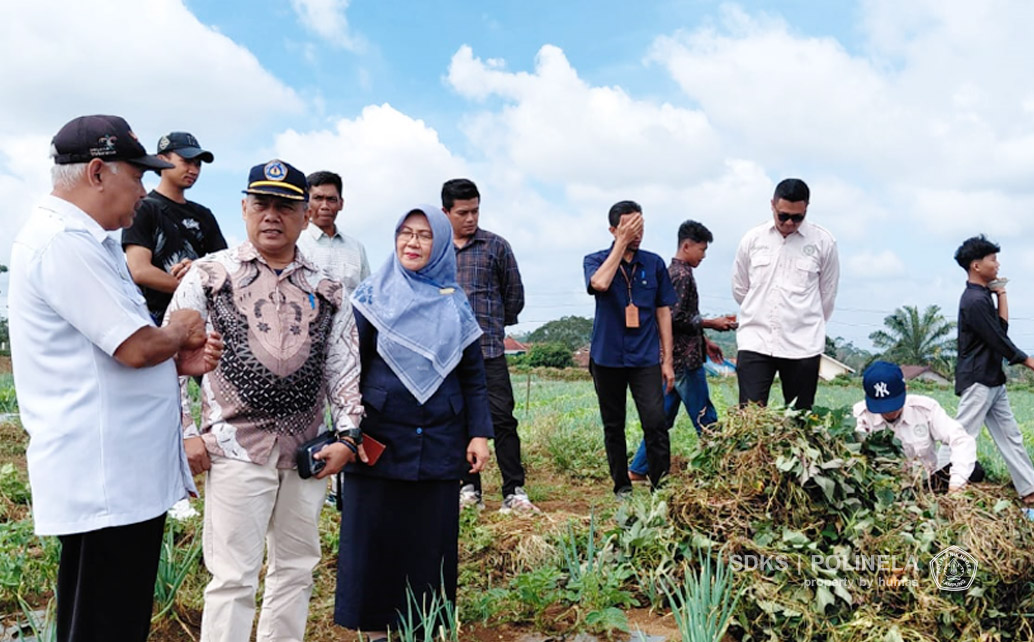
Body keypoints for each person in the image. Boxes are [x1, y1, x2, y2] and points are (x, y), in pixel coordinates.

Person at [7, 114, 222, 642]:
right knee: (105, 620)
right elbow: (134, 346)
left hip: (120, 476)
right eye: (138, 176)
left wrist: (173, 360)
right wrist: (180, 331)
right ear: (98, 172)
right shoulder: (63, 244)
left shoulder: (90, 243)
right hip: (106, 479)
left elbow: (104, 352)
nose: (145, 190)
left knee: (110, 616)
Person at [167, 159, 364, 642]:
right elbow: (167, 355)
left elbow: (343, 365)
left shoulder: (327, 287)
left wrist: (349, 435)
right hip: (235, 447)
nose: (272, 215)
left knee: (296, 569)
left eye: (284, 206)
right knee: (233, 577)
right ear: (244, 208)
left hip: (305, 452)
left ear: (304, 215)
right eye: (262, 204)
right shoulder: (211, 276)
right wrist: (187, 433)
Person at [336, 205, 492, 641]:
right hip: (379, 440)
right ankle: (375, 631)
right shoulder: (371, 299)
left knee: (428, 544)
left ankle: (421, 627)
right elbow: (348, 369)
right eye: (405, 233)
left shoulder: (455, 303)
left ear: (440, 244)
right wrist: (348, 429)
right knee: (375, 540)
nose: (413, 242)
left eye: (424, 235)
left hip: (441, 440)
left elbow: (473, 377)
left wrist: (479, 433)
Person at [441, 178, 536, 512]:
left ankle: (514, 490)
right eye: (463, 212)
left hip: (489, 351)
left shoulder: (497, 246)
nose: (471, 218)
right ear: (445, 212)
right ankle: (469, 489)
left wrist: (494, 325)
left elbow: (515, 296)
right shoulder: (436, 250)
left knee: (502, 420)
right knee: (458, 421)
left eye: (475, 211)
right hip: (447, 355)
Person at [628, 220, 736, 481]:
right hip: (684, 361)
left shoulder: (672, 273)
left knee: (662, 419)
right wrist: (713, 322)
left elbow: (685, 317)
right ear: (686, 246)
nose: (704, 255)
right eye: (701, 249)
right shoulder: (681, 276)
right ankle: (721, 468)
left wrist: (705, 340)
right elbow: (672, 318)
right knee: (705, 417)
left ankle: (638, 469)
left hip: (673, 359)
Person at [584, 200, 676, 497]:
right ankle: (621, 486)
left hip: (645, 357)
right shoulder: (595, 260)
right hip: (607, 357)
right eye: (629, 227)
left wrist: (668, 359)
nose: (637, 233)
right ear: (613, 229)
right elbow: (599, 284)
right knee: (614, 425)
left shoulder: (655, 263)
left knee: (655, 421)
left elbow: (663, 311)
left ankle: (659, 485)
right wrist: (620, 244)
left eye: (640, 226)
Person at [936, 235, 1034, 507]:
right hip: (978, 379)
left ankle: (1029, 491)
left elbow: (1000, 330)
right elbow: (997, 339)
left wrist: (1001, 293)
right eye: (993, 259)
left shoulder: (984, 297)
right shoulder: (974, 300)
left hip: (993, 378)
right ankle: (935, 482)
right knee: (961, 434)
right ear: (976, 266)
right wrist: (1028, 360)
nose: (998, 265)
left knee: (1010, 435)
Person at [732, 178, 839, 410]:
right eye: (783, 216)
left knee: (800, 421)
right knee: (750, 421)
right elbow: (740, 289)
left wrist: (803, 321)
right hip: (756, 341)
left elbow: (827, 296)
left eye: (797, 217)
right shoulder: (752, 240)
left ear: (806, 209)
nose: (789, 222)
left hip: (803, 345)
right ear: (772, 205)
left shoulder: (824, 242)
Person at [122, 131, 227, 323]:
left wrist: (196, 270)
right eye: (187, 161)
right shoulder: (143, 207)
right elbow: (139, 270)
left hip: (200, 321)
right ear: (162, 160)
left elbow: (223, 267)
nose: (194, 170)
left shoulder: (204, 214)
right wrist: (192, 286)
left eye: (198, 163)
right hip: (156, 321)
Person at [854, 361, 982, 492]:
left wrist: (956, 485)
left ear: (905, 390)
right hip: (882, 487)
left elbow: (961, 440)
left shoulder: (925, 409)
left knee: (975, 470)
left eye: (893, 405)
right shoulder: (860, 416)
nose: (889, 412)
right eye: (882, 407)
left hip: (926, 485)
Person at [296, 170, 371, 296]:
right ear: (306, 203)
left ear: (341, 204)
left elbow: (367, 295)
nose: (325, 206)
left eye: (331, 199)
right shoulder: (296, 243)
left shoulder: (356, 248)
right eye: (318, 198)